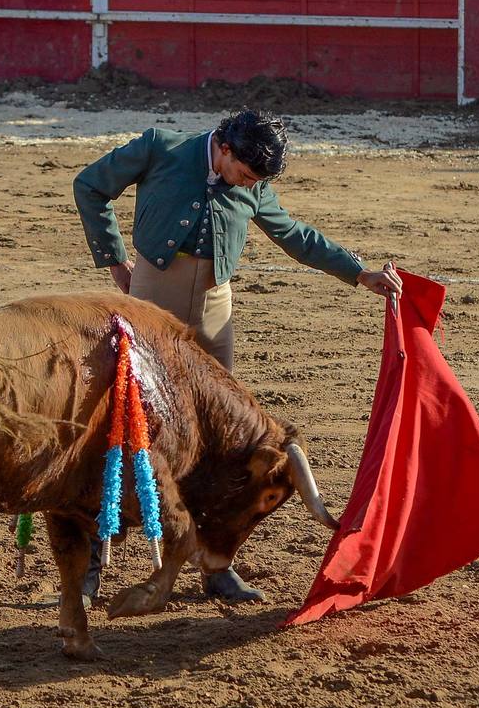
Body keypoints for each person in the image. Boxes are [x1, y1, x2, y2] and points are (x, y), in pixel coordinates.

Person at [72, 108, 403, 604]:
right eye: (245, 175)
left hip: (214, 309)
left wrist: (357, 273)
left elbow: (293, 234)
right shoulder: (160, 147)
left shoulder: (252, 179)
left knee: (221, 442)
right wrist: (113, 258)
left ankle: (215, 566)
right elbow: (90, 185)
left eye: (256, 180)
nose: (249, 185)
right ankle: (89, 561)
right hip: (149, 304)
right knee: (125, 426)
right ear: (224, 148)